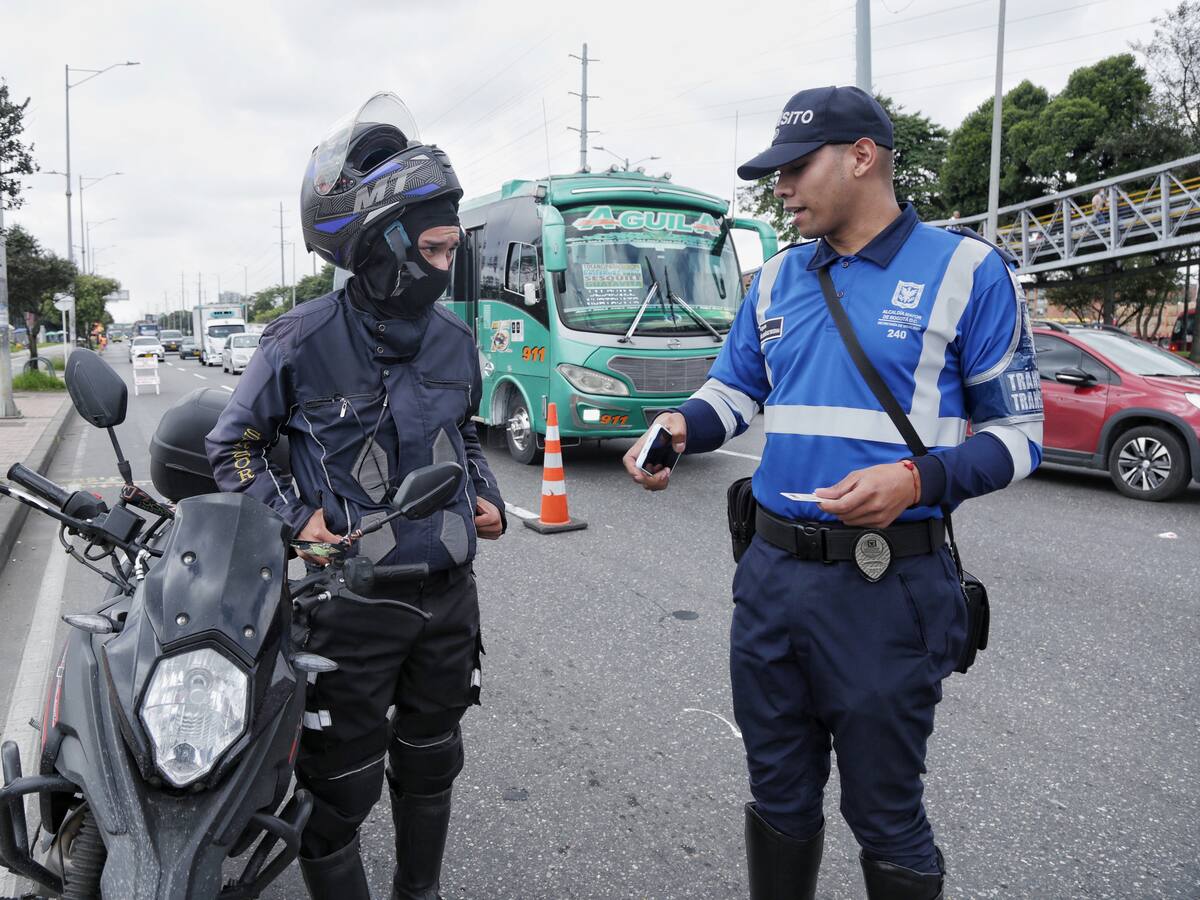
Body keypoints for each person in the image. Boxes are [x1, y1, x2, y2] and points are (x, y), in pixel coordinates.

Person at [623, 85, 1043, 900]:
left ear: (861, 157)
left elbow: (1020, 437)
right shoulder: (777, 278)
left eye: (795, 168)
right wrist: (677, 426)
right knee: (777, 794)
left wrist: (917, 479)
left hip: (888, 586)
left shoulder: (967, 271)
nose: (780, 187)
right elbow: (734, 392)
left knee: (886, 814)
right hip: (771, 579)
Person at [206, 92, 506, 900]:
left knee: (432, 762)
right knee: (339, 793)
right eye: (434, 249)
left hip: (449, 601)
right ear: (385, 247)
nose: (447, 265)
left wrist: (484, 496)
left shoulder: (455, 342)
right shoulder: (299, 340)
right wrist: (295, 520)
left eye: (452, 248)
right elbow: (232, 448)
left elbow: (465, 433)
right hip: (350, 605)